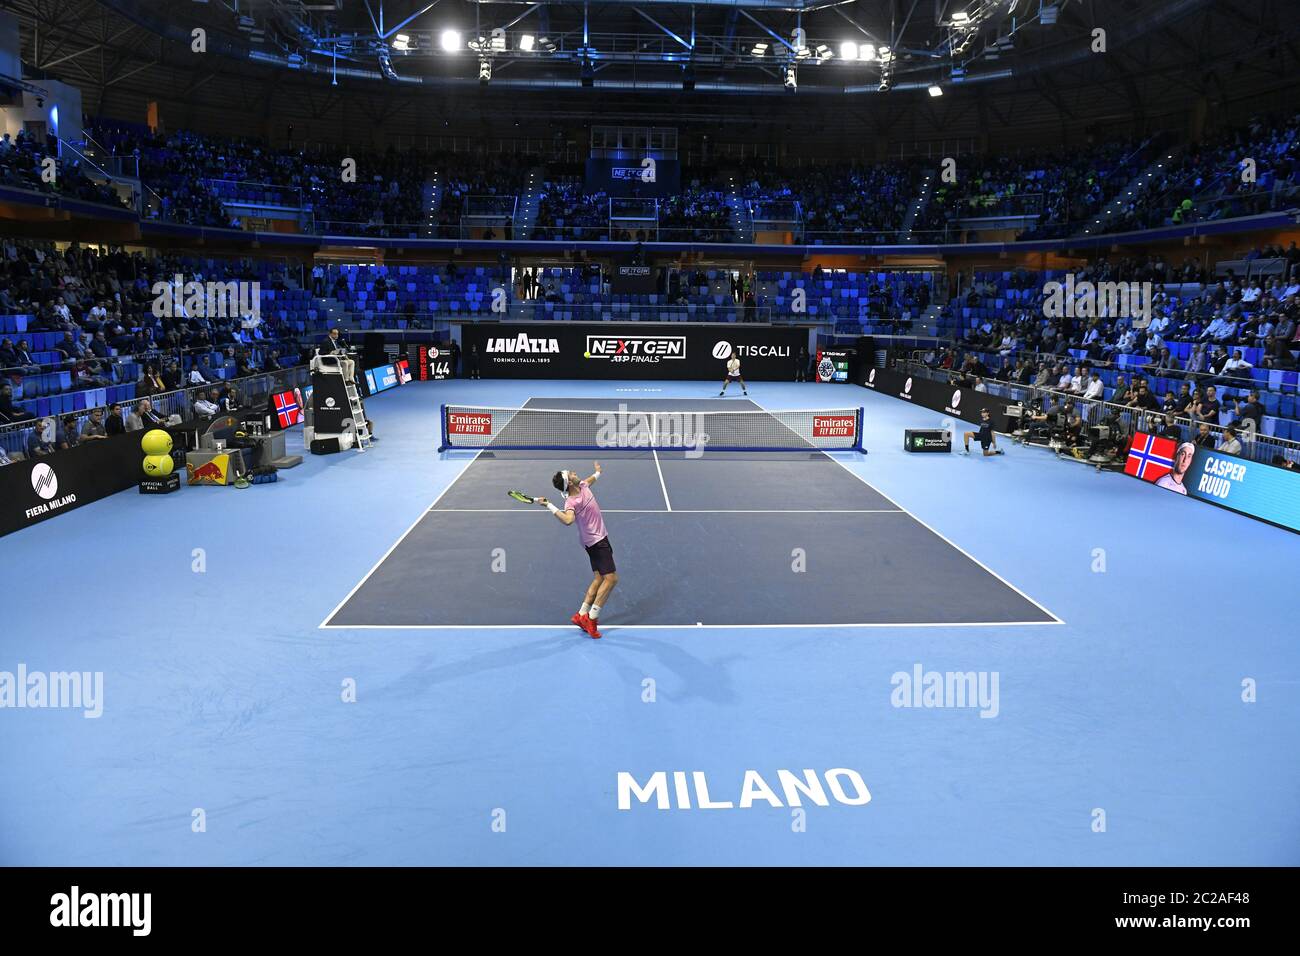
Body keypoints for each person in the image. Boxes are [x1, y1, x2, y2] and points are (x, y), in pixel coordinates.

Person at [535, 463, 616, 640]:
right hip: (596, 542)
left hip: (596, 539)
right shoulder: (572, 502)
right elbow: (568, 520)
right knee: (611, 579)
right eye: (571, 474)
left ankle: (581, 615)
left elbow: (590, 480)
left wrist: (598, 473)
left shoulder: (582, 486)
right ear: (569, 482)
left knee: (599, 578)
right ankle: (592, 619)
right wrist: (549, 505)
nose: (575, 473)